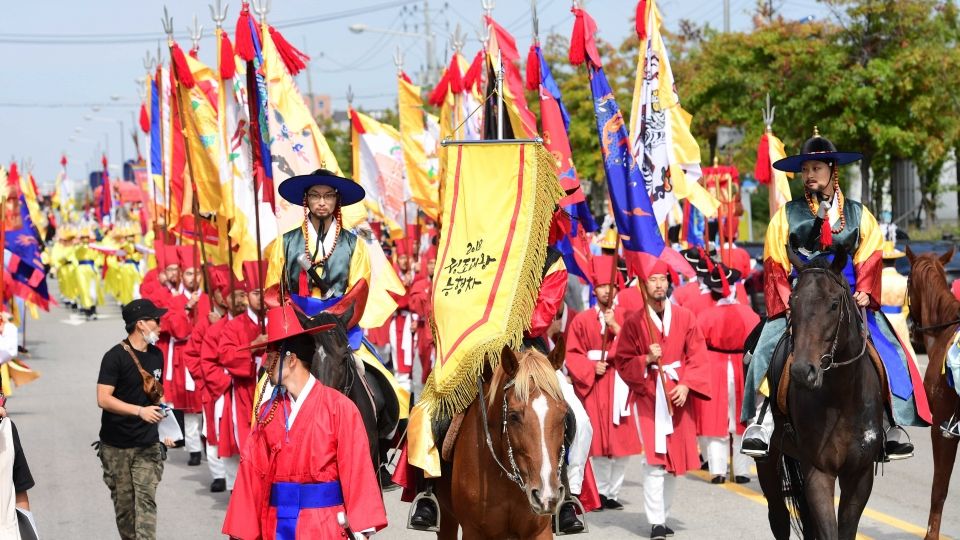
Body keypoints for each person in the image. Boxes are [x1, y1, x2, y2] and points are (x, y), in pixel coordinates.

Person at [740, 129, 930, 460]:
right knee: (766, 346)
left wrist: (865, 292)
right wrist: (786, 302)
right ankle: (762, 418)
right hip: (802, 298)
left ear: (832, 169)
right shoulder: (786, 215)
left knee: (889, 347)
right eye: (804, 170)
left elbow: (870, 255)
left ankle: (890, 421)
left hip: (847, 295)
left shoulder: (859, 214)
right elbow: (774, 261)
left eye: (815, 168)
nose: (808, 175)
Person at [222, 304, 387, 539]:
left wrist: (361, 527)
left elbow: (356, 467)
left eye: (271, 357)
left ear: (291, 360)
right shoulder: (269, 411)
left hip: (324, 524)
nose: (266, 365)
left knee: (384, 393)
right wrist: (242, 531)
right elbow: (252, 471)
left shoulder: (339, 408)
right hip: (275, 523)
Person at [613, 256, 710, 540]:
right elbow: (622, 359)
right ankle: (656, 521)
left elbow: (697, 355)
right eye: (652, 280)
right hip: (650, 394)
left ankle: (663, 516)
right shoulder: (634, 321)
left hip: (677, 393)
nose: (658, 285)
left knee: (673, 462)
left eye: (662, 280)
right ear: (643, 285)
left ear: (668, 283)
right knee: (655, 460)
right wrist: (645, 358)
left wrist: (688, 385)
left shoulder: (685, 317)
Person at [565, 255, 642, 512]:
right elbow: (572, 353)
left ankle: (612, 491)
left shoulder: (628, 316)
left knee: (621, 442)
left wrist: (616, 327)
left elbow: (638, 345)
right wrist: (589, 367)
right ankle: (596, 491)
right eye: (601, 287)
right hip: (595, 383)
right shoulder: (583, 319)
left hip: (619, 381)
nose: (606, 291)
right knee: (595, 439)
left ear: (617, 288)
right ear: (594, 289)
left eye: (611, 287)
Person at [95, 299, 173, 540]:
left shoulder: (157, 355)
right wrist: (139, 411)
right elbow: (103, 399)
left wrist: (168, 428)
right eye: (156, 321)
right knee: (125, 509)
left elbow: (157, 396)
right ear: (141, 324)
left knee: (146, 502)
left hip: (147, 445)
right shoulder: (114, 357)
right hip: (115, 446)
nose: (160, 326)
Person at [691, 264, 758, 484]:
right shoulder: (749, 314)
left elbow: (696, 344)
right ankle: (741, 471)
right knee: (741, 417)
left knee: (715, 418)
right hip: (741, 365)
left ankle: (718, 470)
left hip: (714, 365)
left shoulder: (705, 315)